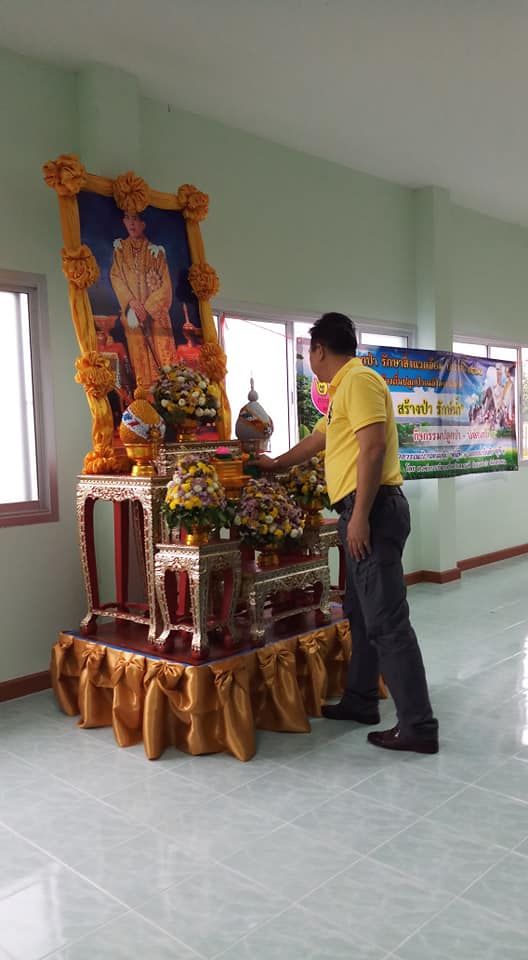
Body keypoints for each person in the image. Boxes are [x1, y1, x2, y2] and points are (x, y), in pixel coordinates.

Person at [259, 312, 439, 754]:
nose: (310, 360)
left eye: (310, 352)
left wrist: (359, 516)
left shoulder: (359, 381)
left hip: (372, 510)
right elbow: (318, 440)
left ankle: (418, 725)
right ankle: (361, 699)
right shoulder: (343, 390)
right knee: (360, 613)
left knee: (387, 621)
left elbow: (373, 447)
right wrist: (275, 465)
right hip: (363, 509)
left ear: (320, 349)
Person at [110, 212, 179, 389]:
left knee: (164, 363)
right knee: (139, 362)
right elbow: (116, 277)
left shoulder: (156, 252)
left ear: (143, 223)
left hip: (156, 316)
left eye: (136, 219)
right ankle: (143, 395)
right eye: (128, 219)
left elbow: (166, 287)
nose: (132, 224)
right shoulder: (120, 250)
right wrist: (131, 302)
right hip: (132, 314)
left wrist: (147, 309)